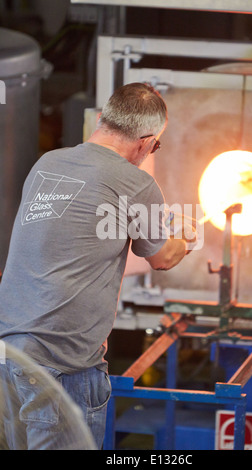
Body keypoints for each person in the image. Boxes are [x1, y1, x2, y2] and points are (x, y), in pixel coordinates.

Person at [0, 82, 197, 449]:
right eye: (157, 145)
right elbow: (162, 257)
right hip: (63, 365)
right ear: (145, 141)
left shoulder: (48, 163)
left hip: (10, 354)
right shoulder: (137, 182)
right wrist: (185, 235)